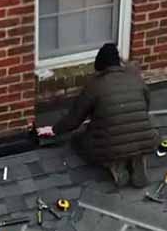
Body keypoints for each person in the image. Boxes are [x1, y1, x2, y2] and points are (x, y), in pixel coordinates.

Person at [45, 43, 156, 188]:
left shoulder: (94, 86)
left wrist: (54, 130)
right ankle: (136, 158)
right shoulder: (136, 80)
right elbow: (145, 107)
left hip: (110, 146)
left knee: (78, 141)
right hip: (146, 139)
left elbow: (74, 120)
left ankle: (115, 164)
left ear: (100, 64)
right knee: (130, 136)